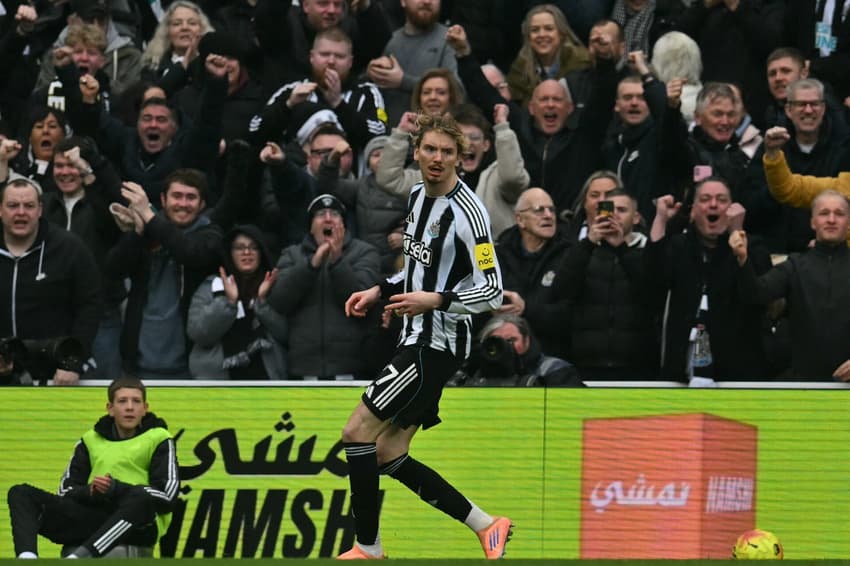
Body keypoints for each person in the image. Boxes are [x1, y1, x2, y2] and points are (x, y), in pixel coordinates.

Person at [339, 113, 510, 560]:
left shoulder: (471, 214)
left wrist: (433, 301)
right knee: (387, 451)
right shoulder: (417, 195)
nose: (437, 159)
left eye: (447, 152)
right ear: (416, 152)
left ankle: (367, 548)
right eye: (430, 150)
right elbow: (416, 271)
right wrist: (379, 290)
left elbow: (491, 288)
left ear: (461, 158)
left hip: (435, 344)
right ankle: (487, 525)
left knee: (357, 433)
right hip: (414, 335)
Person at [6, 377, 179, 558]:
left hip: (137, 524)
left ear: (145, 409)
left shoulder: (159, 438)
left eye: (136, 401)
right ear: (110, 409)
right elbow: (66, 491)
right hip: (95, 517)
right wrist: (91, 492)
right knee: (21, 493)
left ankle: (79, 558)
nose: (129, 407)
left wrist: (116, 489)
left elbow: (167, 497)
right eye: (122, 401)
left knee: (142, 498)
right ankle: (27, 558)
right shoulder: (90, 440)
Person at [646, 178, 772, 383]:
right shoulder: (679, 246)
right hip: (682, 373)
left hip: (738, 374)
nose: (713, 205)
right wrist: (661, 220)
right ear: (694, 211)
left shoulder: (755, 248)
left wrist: (735, 235)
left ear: (733, 210)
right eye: (705, 199)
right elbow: (652, 281)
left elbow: (755, 295)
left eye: (721, 200)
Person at [104, 169, 222, 379]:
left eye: (191, 197)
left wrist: (149, 216)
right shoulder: (147, 231)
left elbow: (190, 252)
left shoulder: (211, 235)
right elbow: (113, 270)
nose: (183, 204)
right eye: (177, 196)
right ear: (163, 199)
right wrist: (137, 234)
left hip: (190, 365)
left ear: (202, 204)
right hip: (138, 362)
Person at [730, 190, 850, 381]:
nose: (832, 219)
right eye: (824, 213)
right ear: (813, 222)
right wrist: (743, 259)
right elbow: (755, 293)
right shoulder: (795, 266)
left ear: (849, 222)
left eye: (840, 213)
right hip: (805, 387)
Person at [0, 175, 101, 385]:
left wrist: (72, 361)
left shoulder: (69, 248)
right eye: (12, 205)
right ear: (1, 210)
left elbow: (89, 307)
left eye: (29, 206)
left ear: (40, 210)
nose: (21, 212)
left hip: (55, 375)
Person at [268, 193, 380, 380]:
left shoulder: (364, 253)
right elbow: (279, 300)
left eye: (334, 214)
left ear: (343, 225)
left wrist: (337, 261)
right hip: (303, 368)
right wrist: (312, 264)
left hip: (351, 367)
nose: (328, 218)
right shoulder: (292, 255)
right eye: (320, 214)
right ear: (311, 227)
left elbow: (362, 301)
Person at [552, 189, 655, 380]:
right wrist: (589, 243)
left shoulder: (646, 252)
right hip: (586, 365)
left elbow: (650, 296)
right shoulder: (582, 251)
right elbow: (561, 291)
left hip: (635, 366)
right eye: (609, 210)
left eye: (622, 210)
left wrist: (622, 249)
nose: (614, 215)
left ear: (636, 218)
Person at [249, 27, 387, 152]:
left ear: (350, 62)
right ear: (312, 57)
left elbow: (379, 135)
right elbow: (254, 130)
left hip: (352, 177)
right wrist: (287, 106)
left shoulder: (367, 92)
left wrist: (338, 104)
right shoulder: (292, 91)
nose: (331, 61)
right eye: (324, 54)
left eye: (339, 56)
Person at [187, 224, 287, 379]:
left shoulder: (274, 285)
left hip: (268, 383)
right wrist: (229, 303)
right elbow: (198, 334)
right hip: (220, 385)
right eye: (239, 247)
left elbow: (287, 334)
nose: (247, 252)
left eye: (253, 247)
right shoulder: (212, 285)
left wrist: (262, 302)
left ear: (261, 252)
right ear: (230, 253)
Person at [495, 187, 571, 359]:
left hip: (553, 355)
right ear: (520, 219)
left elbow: (569, 313)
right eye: (539, 210)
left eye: (551, 210)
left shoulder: (569, 254)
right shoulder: (498, 255)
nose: (548, 215)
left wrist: (526, 309)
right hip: (504, 354)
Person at [367, 0, 459, 126]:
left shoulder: (450, 39)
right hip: (392, 131)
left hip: (435, 131)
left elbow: (457, 88)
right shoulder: (391, 41)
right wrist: (372, 73)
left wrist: (403, 81)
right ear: (403, 2)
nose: (427, 2)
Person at [451, 314, 581, 387]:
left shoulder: (554, 371)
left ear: (527, 341)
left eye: (511, 341)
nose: (504, 347)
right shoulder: (470, 373)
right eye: (495, 342)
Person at [505, 4, 591, 108]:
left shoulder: (582, 62)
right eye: (535, 30)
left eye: (549, 29)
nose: (541, 34)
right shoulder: (519, 69)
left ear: (561, 33)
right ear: (528, 37)